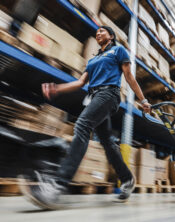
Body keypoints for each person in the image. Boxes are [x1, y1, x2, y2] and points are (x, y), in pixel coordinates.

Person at [20, 26, 151, 209]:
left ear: (111, 36)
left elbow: (128, 75)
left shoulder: (118, 50)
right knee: (107, 143)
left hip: (109, 95)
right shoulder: (93, 60)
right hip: (94, 97)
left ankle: (58, 186)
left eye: (102, 31)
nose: (98, 33)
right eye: (96, 32)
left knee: (82, 125)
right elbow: (80, 83)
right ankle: (128, 179)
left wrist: (143, 100)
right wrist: (57, 88)